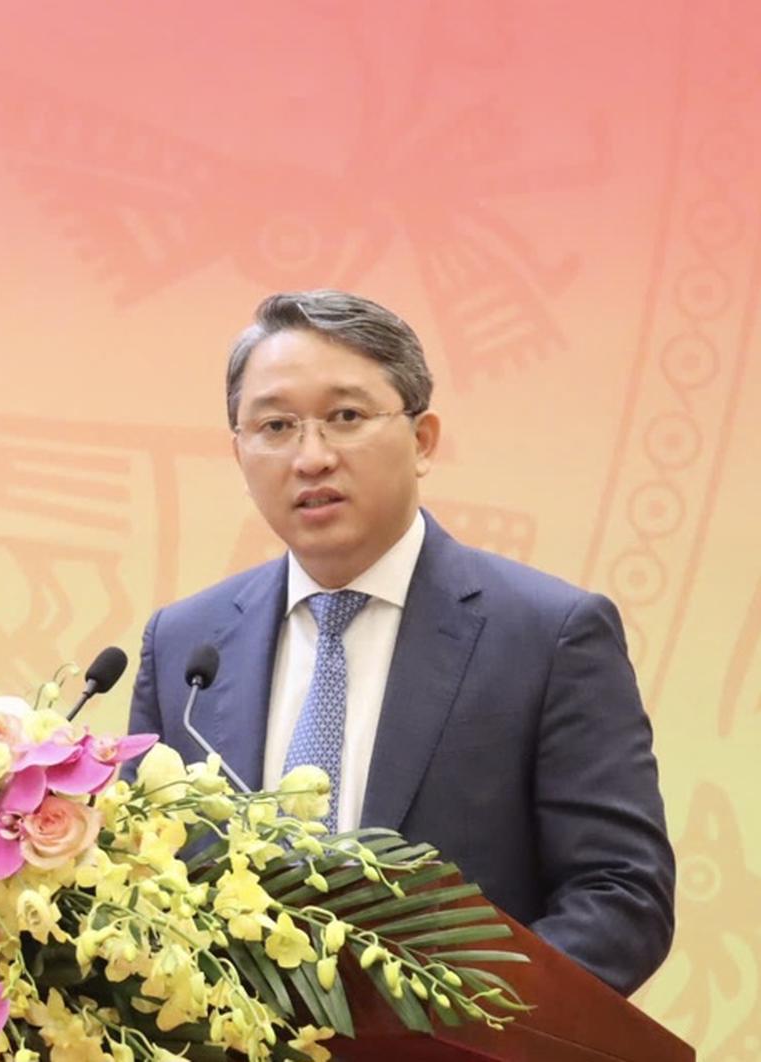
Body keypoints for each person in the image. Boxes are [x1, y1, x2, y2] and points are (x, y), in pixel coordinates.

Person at [126, 290, 674, 996]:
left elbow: (621, 896)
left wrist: (449, 1024)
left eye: (346, 418)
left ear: (422, 440)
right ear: (239, 452)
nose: (311, 457)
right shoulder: (186, 646)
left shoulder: (548, 635)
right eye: (276, 426)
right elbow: (144, 881)